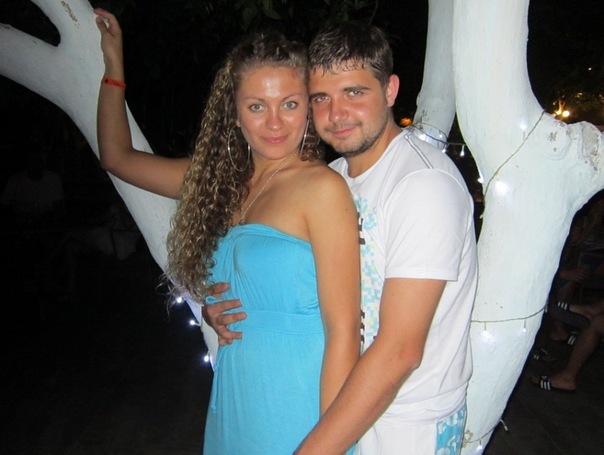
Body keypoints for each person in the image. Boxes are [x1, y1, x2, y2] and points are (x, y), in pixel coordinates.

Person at [93, 9, 360, 455]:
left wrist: (328, 445)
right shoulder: (220, 184)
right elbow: (116, 157)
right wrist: (113, 65)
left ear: (308, 109)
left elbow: (344, 332)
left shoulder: (322, 189)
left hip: (300, 405)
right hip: (236, 402)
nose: (274, 123)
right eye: (257, 106)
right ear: (234, 114)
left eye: (289, 104)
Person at [205, 22, 478, 454]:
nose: (336, 113)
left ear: (390, 90)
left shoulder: (423, 185)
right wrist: (223, 309)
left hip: (406, 422)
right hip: (341, 408)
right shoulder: (335, 178)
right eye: (321, 98)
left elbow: (400, 350)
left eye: (354, 92)